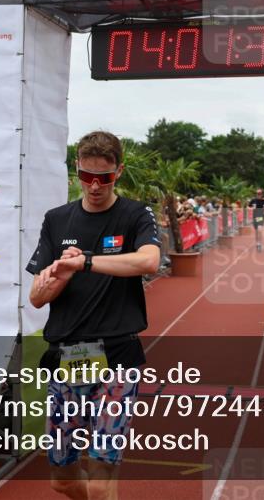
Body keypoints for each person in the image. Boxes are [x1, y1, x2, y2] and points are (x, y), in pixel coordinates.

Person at [27, 130, 160, 500]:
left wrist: (85, 262)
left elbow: (148, 261)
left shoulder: (135, 214)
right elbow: (37, 297)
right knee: (63, 481)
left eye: (105, 178)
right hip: (67, 358)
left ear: (119, 171)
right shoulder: (57, 219)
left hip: (117, 357)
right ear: (77, 171)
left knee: (101, 480)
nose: (95, 186)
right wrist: (59, 277)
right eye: (87, 177)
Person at [248, 188, 264, 252]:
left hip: (260, 217)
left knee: (260, 229)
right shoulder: (253, 200)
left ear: (262, 194)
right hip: (254, 217)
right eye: (257, 193)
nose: (258, 194)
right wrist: (252, 208)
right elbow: (248, 207)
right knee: (256, 231)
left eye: (260, 193)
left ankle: (259, 243)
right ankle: (257, 243)